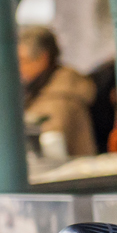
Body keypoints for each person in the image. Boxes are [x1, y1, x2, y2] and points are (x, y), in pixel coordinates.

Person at [16, 25, 99, 158]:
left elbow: (50, 140)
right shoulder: (41, 87)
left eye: (24, 60)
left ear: (43, 58)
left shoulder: (62, 94)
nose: (20, 67)